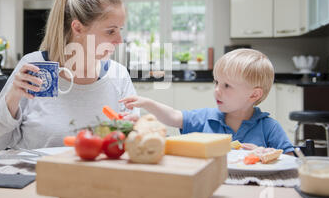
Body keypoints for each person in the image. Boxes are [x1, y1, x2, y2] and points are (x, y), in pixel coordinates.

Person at [0, 0, 139, 150]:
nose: (119, 41)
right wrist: (12, 98)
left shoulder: (118, 75)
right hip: (35, 174)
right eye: (110, 31)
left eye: (120, 30)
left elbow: (133, 144)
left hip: (97, 175)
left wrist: (134, 131)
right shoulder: (35, 67)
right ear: (78, 28)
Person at [120, 49, 294, 154]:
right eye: (216, 82)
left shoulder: (269, 127)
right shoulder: (206, 118)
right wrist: (147, 103)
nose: (217, 90)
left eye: (227, 86)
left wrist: (266, 153)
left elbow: (291, 160)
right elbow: (173, 116)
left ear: (254, 95)